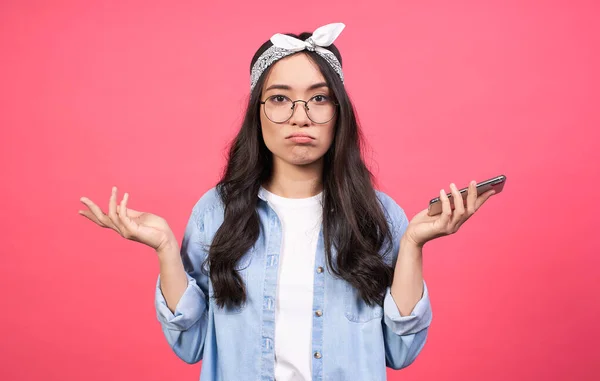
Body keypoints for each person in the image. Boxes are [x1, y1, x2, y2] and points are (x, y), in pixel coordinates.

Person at [79, 22, 495, 381]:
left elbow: (400, 354)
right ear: (257, 114)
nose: (300, 115)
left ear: (339, 112)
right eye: (279, 98)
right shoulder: (215, 212)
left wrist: (413, 245)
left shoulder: (380, 216)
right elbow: (191, 345)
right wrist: (167, 249)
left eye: (318, 98)